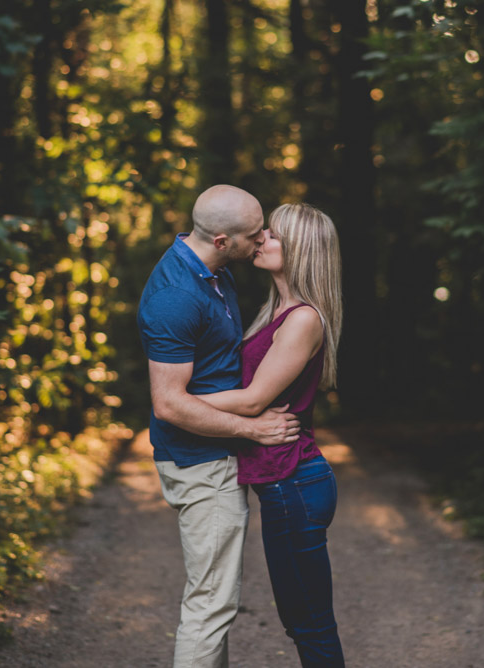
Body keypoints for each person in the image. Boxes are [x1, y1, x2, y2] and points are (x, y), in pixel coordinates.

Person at [137, 185, 301, 668]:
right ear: (223, 239)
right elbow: (169, 404)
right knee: (211, 604)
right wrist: (254, 429)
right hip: (200, 462)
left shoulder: (213, 271)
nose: (264, 239)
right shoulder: (176, 296)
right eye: (255, 235)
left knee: (216, 599)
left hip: (215, 453)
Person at [195, 202, 346, 668]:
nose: (261, 240)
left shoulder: (303, 318)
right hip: (287, 483)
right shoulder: (276, 309)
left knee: (310, 626)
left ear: (301, 250)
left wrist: (175, 400)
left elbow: (253, 399)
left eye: (273, 236)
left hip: (295, 483)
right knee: (303, 623)